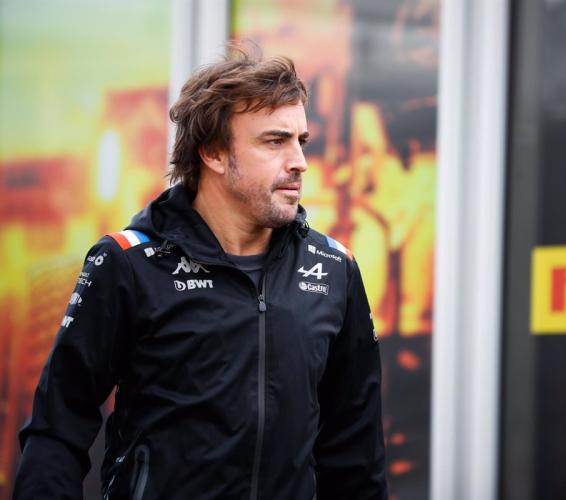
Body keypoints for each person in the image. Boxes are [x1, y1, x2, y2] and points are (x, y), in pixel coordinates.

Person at [14, 45, 387, 500]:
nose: (299, 161)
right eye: (275, 141)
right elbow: (57, 429)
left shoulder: (334, 271)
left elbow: (356, 454)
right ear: (213, 152)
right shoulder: (128, 263)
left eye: (300, 141)